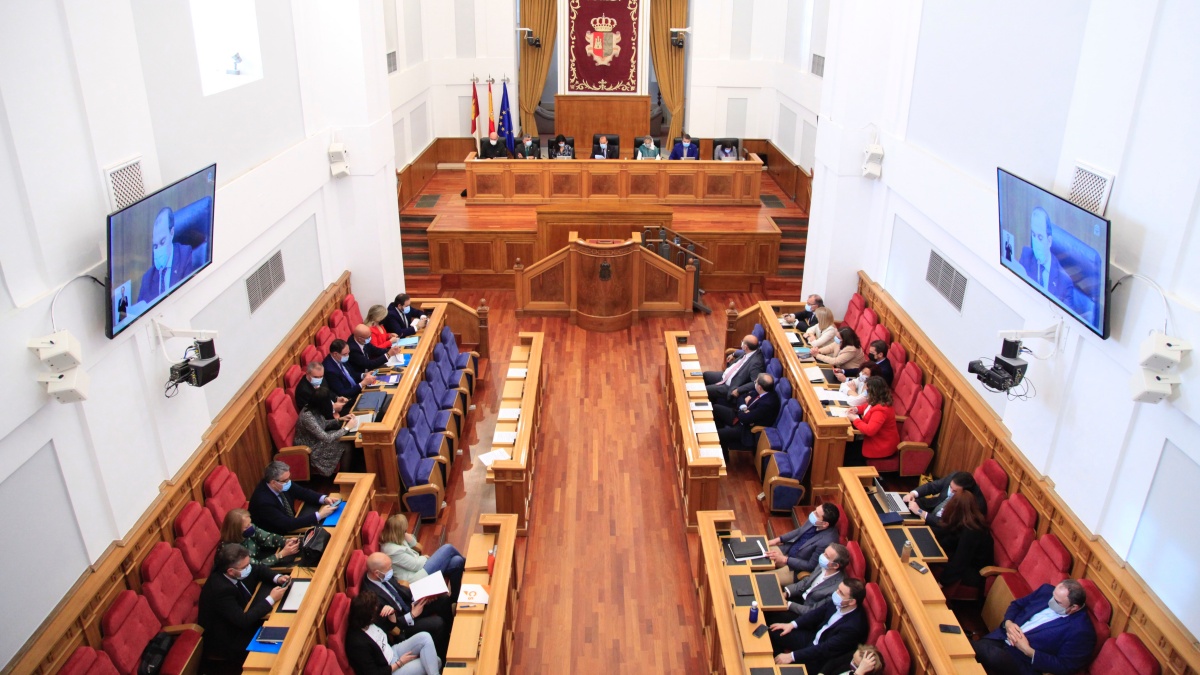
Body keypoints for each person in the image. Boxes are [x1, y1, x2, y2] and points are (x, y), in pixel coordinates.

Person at [198, 543, 291, 672]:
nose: (249, 568)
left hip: (242, 614)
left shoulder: (237, 570)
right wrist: (271, 599)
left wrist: (278, 578)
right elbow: (243, 620)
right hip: (228, 637)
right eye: (245, 566)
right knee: (281, 648)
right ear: (231, 571)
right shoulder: (220, 590)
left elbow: (258, 569)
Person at [973, 580, 1096, 675]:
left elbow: (1065, 666)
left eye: (1057, 602)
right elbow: (1017, 605)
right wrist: (1008, 623)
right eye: (1053, 596)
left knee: (979, 649)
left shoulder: (1082, 631)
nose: (1051, 601)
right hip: (1002, 636)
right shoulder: (1046, 590)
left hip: (1022, 660)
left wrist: (1028, 651)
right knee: (972, 655)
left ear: (1074, 607)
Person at [360, 552, 454, 659]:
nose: (391, 570)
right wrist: (412, 615)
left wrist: (419, 597)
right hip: (403, 625)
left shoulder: (383, 575)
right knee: (438, 623)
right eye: (389, 568)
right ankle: (444, 655)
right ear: (377, 573)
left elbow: (399, 589)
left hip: (411, 606)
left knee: (443, 599)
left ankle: (452, 632)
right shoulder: (371, 597)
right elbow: (388, 626)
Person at [769, 579, 869, 669]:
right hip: (813, 638)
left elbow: (825, 648)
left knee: (786, 670)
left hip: (820, 658)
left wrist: (792, 656)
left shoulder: (853, 627)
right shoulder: (839, 602)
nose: (836, 593)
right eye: (838, 589)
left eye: (841, 593)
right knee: (774, 632)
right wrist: (792, 625)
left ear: (851, 602)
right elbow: (817, 613)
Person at [344, 591, 441, 675]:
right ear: (368, 616)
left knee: (425, 637)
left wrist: (391, 613)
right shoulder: (357, 643)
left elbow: (392, 627)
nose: (377, 611)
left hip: (393, 650)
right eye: (375, 611)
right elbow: (374, 673)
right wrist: (400, 663)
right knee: (436, 661)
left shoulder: (370, 621)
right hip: (389, 668)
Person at [380, 514, 466, 599]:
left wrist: (406, 535)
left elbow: (414, 543)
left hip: (421, 568)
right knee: (448, 548)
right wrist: (424, 558)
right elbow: (416, 565)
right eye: (404, 530)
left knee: (457, 561)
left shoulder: (397, 538)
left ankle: (455, 599)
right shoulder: (392, 551)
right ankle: (469, 565)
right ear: (399, 531)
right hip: (416, 578)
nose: (406, 531)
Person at [763, 543, 850, 627]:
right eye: (824, 552)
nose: (823, 556)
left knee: (771, 613)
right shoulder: (823, 565)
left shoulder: (837, 588)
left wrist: (787, 604)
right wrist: (786, 593)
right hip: (800, 596)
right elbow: (806, 582)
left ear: (835, 565)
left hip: (805, 612)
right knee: (768, 592)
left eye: (827, 556)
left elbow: (813, 610)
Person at [248, 460, 339, 535]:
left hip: (291, 520)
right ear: (273, 482)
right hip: (279, 534)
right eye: (285, 480)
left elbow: (303, 492)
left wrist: (324, 498)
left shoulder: (281, 484)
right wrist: (320, 515)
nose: (289, 482)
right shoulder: (264, 502)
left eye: (289, 477)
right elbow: (287, 524)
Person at [766, 503, 842, 585]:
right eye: (815, 510)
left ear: (825, 524)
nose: (812, 513)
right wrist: (778, 539)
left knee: (764, 579)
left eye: (816, 514)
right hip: (789, 550)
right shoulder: (816, 520)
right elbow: (799, 531)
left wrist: (784, 559)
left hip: (796, 568)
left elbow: (810, 566)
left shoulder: (827, 542)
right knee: (758, 552)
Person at [933, 491, 994, 592]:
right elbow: (951, 539)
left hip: (975, 572)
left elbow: (959, 564)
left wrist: (940, 583)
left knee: (939, 566)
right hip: (965, 559)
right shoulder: (967, 520)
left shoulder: (972, 532)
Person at [1017, 207, 1077, 309]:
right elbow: (1017, 290)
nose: (1035, 242)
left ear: (1049, 241)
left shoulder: (1065, 282)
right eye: (1033, 235)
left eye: (1040, 237)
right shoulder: (1027, 256)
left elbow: (1067, 320)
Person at [137, 206, 196, 304]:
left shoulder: (184, 255)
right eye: (155, 246)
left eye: (162, 242)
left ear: (171, 233)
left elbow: (189, 298)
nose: (159, 249)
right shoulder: (147, 279)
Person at [714, 373, 780, 455]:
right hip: (741, 415)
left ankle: (724, 457)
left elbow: (745, 419)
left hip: (746, 428)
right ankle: (723, 442)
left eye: (756, 382)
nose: (754, 382)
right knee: (715, 408)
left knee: (718, 434)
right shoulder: (762, 390)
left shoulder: (768, 403)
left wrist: (743, 411)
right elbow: (741, 397)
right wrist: (743, 408)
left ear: (759, 387)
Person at [219, 508, 300, 568]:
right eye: (247, 526)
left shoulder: (249, 529)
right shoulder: (231, 550)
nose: (251, 527)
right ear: (236, 530)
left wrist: (285, 541)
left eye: (250, 523)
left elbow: (268, 537)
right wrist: (281, 554)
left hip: (263, 557)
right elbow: (256, 566)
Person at [844, 377, 899, 466]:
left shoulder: (881, 410)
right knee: (846, 447)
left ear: (873, 392)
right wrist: (856, 409)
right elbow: (867, 407)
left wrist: (855, 419)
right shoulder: (877, 401)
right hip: (874, 441)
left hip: (881, 446)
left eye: (866, 390)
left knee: (846, 454)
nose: (864, 393)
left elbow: (870, 430)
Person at [294, 398, 354, 477]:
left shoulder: (313, 408)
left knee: (346, 436)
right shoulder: (307, 417)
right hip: (312, 448)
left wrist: (340, 419)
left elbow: (323, 423)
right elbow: (327, 438)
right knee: (346, 445)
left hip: (318, 439)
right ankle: (344, 477)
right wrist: (346, 428)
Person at [903, 471, 987, 527]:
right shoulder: (955, 478)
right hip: (934, 507)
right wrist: (912, 494)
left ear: (965, 493)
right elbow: (932, 486)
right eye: (950, 487)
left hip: (943, 526)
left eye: (954, 491)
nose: (950, 491)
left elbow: (947, 524)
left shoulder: (974, 505)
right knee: (908, 504)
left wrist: (920, 512)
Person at [702, 334, 766, 406]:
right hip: (725, 376)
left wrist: (739, 390)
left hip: (730, 386)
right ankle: (712, 400)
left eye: (743, 342)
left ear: (745, 347)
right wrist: (733, 354)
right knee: (706, 375)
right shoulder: (752, 350)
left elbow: (754, 382)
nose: (741, 342)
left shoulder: (756, 363)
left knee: (705, 390)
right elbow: (741, 352)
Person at [817, 644, 885, 675]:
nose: (851, 662)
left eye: (855, 664)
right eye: (853, 658)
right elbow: (834, 662)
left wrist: (859, 673)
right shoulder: (856, 656)